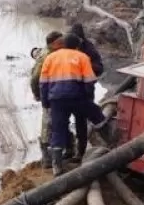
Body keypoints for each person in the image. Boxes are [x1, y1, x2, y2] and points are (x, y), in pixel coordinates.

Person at [40, 34, 109, 175]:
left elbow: (43, 84)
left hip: (57, 100)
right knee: (97, 115)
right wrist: (87, 98)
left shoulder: (50, 57)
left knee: (58, 130)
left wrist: (46, 102)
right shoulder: (82, 57)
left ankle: (57, 166)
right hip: (77, 97)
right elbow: (90, 81)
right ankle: (111, 141)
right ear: (77, 46)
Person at [30, 30, 66, 164]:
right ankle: (47, 158)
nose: (63, 44)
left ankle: (61, 153)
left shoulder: (54, 52)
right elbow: (35, 78)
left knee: (59, 121)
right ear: (53, 44)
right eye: (60, 42)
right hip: (50, 94)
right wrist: (37, 94)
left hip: (59, 92)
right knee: (48, 124)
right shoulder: (46, 57)